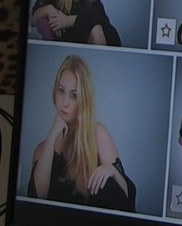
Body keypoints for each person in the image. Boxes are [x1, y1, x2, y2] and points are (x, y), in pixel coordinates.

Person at [28, 55, 136, 211]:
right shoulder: (42, 149)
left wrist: (112, 171)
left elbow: (126, 202)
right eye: (61, 91)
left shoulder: (97, 134)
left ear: (83, 99)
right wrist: (51, 139)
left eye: (73, 95)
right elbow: (37, 200)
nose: (65, 102)